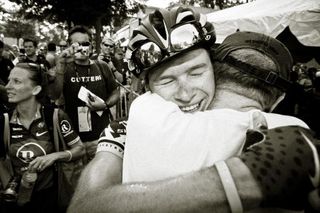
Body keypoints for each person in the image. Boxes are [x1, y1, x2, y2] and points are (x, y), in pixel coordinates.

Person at [69, 7, 319, 213]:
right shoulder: (123, 129)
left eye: (197, 72)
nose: (186, 93)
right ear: (146, 87)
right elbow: (84, 207)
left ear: (215, 70)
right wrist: (245, 177)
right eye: (167, 81)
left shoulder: (258, 123)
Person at [0, 63, 85, 213]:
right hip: (16, 200)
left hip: (51, 199)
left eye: (17, 81)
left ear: (36, 89)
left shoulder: (54, 116)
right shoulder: (4, 121)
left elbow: (80, 149)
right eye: (8, 80)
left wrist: (55, 156)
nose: (8, 86)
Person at [47, 25, 120, 162]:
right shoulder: (64, 68)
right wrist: (60, 65)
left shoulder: (102, 66)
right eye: (76, 44)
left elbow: (115, 91)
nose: (81, 48)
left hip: (100, 138)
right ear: (69, 46)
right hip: (74, 142)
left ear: (91, 46)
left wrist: (105, 105)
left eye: (85, 44)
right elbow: (54, 95)